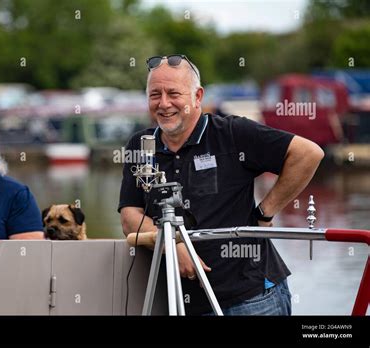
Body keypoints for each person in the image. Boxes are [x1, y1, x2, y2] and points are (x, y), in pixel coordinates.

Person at [118, 54, 324, 315]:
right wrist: (174, 245)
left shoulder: (231, 133)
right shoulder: (140, 144)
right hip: (184, 304)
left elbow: (308, 154)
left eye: (174, 93)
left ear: (197, 96)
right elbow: (130, 216)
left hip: (252, 300)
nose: (164, 103)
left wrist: (265, 213)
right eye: (155, 94)